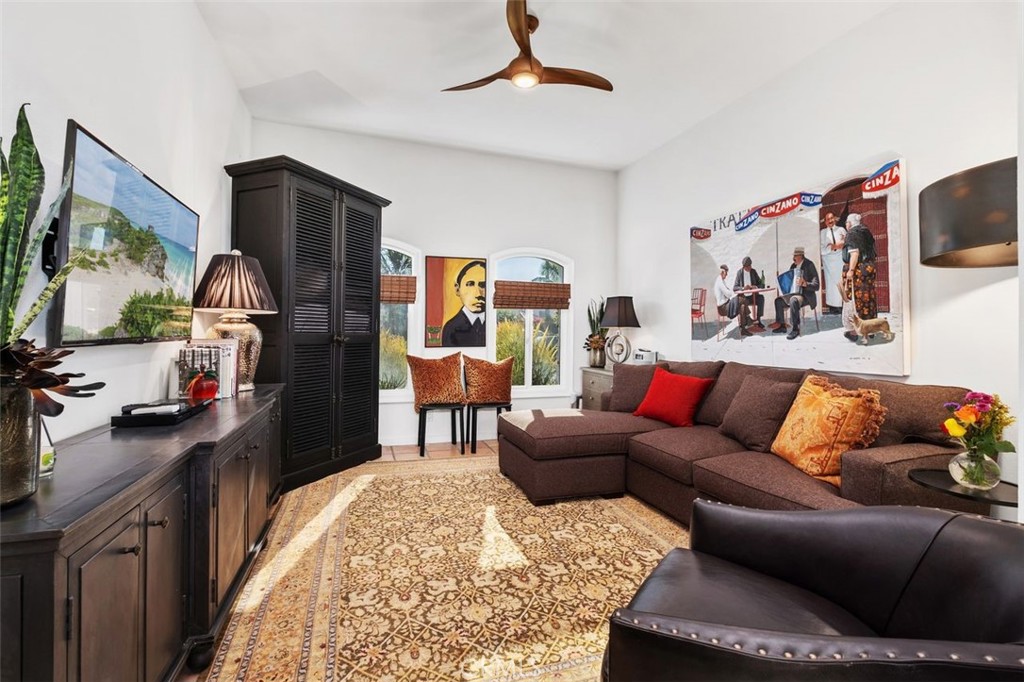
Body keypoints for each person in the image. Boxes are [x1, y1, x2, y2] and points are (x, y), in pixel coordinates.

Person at [841, 213, 877, 338]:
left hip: (858, 270)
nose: (846, 225)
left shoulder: (851, 233)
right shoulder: (866, 231)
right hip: (868, 268)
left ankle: (856, 331)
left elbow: (854, 253)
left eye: (846, 222)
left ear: (849, 223)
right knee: (869, 298)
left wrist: (851, 270)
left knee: (856, 300)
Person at [772, 246, 820, 340]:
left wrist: (805, 283)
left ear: (801, 256)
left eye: (795, 256)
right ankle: (782, 326)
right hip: (793, 294)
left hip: (806, 295)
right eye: (793, 256)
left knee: (794, 300)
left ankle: (795, 329)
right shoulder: (793, 266)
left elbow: (816, 285)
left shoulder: (809, 265)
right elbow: (790, 282)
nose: (793, 258)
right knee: (778, 301)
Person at [441, 260, 486, 347]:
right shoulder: (451, 328)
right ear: (458, 290)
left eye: (483, 285)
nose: (478, 294)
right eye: (470, 284)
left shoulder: (497, 325)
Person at [819, 211, 847, 313]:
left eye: (831, 218)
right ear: (825, 222)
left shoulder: (841, 230)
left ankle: (843, 306)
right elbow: (822, 249)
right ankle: (833, 308)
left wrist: (842, 244)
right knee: (831, 284)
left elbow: (847, 242)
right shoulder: (822, 233)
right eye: (828, 219)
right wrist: (833, 246)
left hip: (840, 259)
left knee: (841, 282)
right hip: (829, 261)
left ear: (834, 219)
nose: (830, 221)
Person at [713, 264, 752, 336]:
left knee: (742, 306)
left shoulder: (721, 280)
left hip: (726, 304)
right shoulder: (720, 282)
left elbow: (729, 292)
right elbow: (729, 294)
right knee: (742, 298)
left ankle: (743, 329)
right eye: (726, 273)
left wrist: (728, 292)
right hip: (723, 308)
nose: (727, 275)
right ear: (722, 272)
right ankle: (748, 318)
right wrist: (728, 292)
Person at [732, 256, 765, 328]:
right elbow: (734, 288)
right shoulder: (739, 273)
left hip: (753, 296)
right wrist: (743, 288)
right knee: (742, 304)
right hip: (744, 298)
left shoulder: (753, 271)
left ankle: (758, 320)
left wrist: (755, 286)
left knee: (761, 298)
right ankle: (746, 322)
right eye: (748, 267)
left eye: (750, 266)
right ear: (744, 267)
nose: (749, 268)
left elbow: (761, 284)